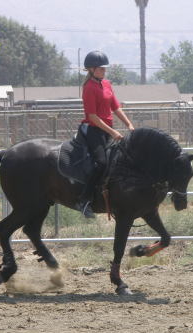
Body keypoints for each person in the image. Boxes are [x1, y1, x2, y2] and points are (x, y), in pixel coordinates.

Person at [76, 50, 135, 218]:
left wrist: (129, 124)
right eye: (101, 68)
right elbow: (92, 117)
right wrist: (113, 131)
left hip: (107, 130)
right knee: (101, 163)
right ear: (92, 69)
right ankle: (84, 200)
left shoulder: (107, 84)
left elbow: (116, 108)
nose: (104, 71)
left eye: (104, 69)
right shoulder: (88, 88)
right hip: (94, 131)